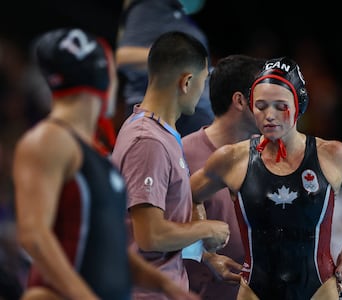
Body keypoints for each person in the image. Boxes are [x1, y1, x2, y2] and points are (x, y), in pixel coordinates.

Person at [12, 28, 199, 300]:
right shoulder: (50, 140)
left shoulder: (93, 152)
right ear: (103, 78)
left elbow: (107, 249)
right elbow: (34, 237)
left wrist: (165, 285)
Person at [190, 56, 342, 300]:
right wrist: (206, 255)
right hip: (254, 290)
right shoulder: (232, 159)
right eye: (261, 106)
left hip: (319, 290)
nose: (269, 115)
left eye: (280, 106)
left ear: (298, 106)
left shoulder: (333, 156)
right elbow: (187, 197)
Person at [111, 31, 230, 300]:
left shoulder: (160, 133)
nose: (203, 93)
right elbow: (149, 236)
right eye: (203, 82)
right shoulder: (147, 141)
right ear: (186, 82)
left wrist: (204, 254)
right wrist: (207, 228)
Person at [182, 54, 266, 299]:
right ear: (240, 101)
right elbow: (157, 230)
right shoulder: (181, 155)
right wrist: (206, 257)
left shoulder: (271, 153)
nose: (270, 107)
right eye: (262, 97)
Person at [115, 0, 214, 136]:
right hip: (165, 114)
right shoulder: (149, 7)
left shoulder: (181, 16)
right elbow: (123, 57)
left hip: (193, 113)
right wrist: (178, 56)